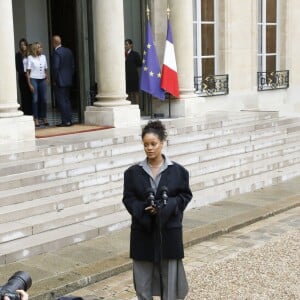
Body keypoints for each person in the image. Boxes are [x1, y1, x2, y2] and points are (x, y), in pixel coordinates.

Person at [122, 120, 193, 300]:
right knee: (142, 282)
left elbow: (185, 196)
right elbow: (128, 199)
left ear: (162, 143)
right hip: (142, 233)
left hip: (169, 232)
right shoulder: (131, 173)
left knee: (170, 281)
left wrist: (166, 207)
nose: (149, 148)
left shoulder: (179, 172)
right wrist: (144, 210)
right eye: (146, 145)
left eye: (153, 144)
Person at [52, 35, 75, 127]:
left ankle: (65, 121)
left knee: (61, 101)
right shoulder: (68, 51)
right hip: (68, 80)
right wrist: (69, 76)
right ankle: (69, 120)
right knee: (67, 101)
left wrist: (55, 79)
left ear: (54, 42)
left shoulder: (57, 52)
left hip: (60, 81)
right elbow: (73, 66)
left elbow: (56, 68)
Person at [26, 42, 49, 127]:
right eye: (39, 47)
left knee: (44, 99)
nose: (41, 49)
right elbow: (27, 72)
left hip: (42, 79)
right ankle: (35, 118)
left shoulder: (43, 57)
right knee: (35, 100)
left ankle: (44, 117)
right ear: (35, 49)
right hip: (34, 79)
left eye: (41, 47)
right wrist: (29, 84)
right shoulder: (30, 58)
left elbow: (45, 69)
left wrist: (47, 78)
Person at [15, 38, 32, 115]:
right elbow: (18, 67)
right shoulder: (18, 55)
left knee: (30, 94)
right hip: (22, 77)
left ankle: (32, 112)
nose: (23, 46)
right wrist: (24, 74)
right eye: (21, 45)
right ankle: (26, 112)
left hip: (30, 76)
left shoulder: (30, 54)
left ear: (26, 45)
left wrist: (29, 74)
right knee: (24, 95)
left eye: (24, 45)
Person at [125, 39, 142, 105]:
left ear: (131, 45)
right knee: (128, 93)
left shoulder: (135, 54)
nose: (125, 46)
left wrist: (132, 68)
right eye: (125, 44)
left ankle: (137, 107)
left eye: (127, 44)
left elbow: (140, 64)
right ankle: (129, 107)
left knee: (135, 92)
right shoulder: (122, 54)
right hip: (126, 77)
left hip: (133, 76)